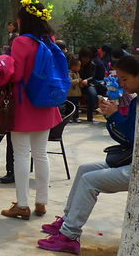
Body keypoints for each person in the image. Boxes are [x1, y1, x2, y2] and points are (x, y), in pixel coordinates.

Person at [37, 54, 137, 255]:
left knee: (90, 181)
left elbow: (131, 138)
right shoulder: (135, 101)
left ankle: (69, 236)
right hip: (130, 162)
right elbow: (126, 137)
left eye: (125, 79)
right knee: (84, 170)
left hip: (134, 170)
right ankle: (67, 221)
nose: (122, 84)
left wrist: (115, 116)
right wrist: (112, 117)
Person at [0, 0, 62, 220]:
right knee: (41, 154)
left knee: (21, 155)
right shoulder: (50, 40)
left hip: (24, 103)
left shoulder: (21, 42)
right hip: (45, 103)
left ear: (23, 19)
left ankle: (23, 205)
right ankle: (41, 203)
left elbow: (16, 75)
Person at [78, 47, 98, 123]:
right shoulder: (76, 62)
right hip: (76, 83)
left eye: (87, 58)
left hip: (88, 84)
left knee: (93, 94)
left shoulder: (92, 65)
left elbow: (93, 76)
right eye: (84, 57)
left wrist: (87, 80)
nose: (85, 60)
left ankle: (90, 115)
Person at [66, 54, 82, 123]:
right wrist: (78, 80)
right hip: (71, 94)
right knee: (70, 106)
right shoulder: (69, 73)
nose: (80, 68)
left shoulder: (77, 73)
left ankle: (76, 117)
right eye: (79, 66)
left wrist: (81, 83)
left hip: (77, 93)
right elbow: (70, 82)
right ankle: (69, 117)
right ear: (73, 66)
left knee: (77, 106)